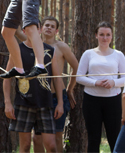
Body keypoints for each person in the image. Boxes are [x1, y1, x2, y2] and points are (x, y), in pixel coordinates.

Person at [3, 22, 64, 153]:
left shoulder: (49, 50)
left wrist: (60, 103)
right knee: (25, 146)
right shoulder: (17, 49)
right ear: (24, 31)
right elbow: (7, 78)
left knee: (51, 145)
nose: (33, 32)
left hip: (45, 103)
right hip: (24, 102)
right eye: (29, 29)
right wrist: (7, 102)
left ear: (40, 30)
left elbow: (57, 79)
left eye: (36, 29)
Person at [76, 21, 125, 153]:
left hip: (113, 101)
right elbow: (79, 77)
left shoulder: (119, 55)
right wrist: (95, 83)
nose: (105, 38)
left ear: (111, 36)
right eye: (101, 34)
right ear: (96, 35)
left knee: (114, 138)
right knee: (94, 139)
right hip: (92, 100)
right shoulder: (88, 54)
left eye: (108, 34)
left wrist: (114, 83)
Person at [33, 16, 79, 153]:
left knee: (57, 138)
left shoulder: (62, 47)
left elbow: (76, 68)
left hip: (57, 97)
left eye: (52, 26)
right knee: (37, 138)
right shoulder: (34, 45)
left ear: (56, 31)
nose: (49, 28)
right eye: (46, 25)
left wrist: (70, 89)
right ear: (41, 29)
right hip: (39, 97)